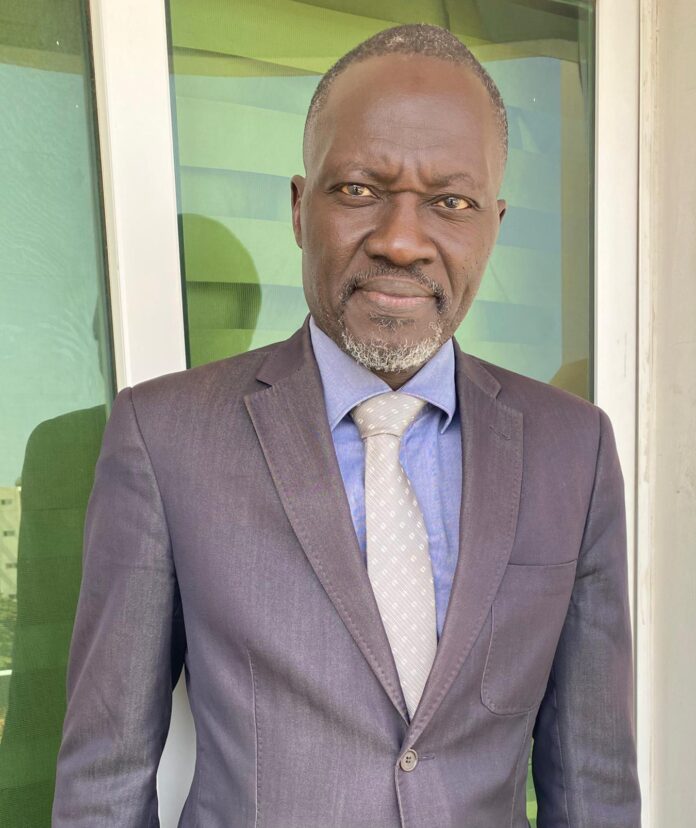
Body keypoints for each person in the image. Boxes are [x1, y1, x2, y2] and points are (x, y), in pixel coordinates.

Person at [52, 24, 641, 827]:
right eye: (360, 189)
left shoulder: (574, 450)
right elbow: (105, 778)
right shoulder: (165, 438)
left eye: (450, 202)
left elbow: (594, 785)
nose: (400, 241)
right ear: (301, 209)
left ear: (494, 223)